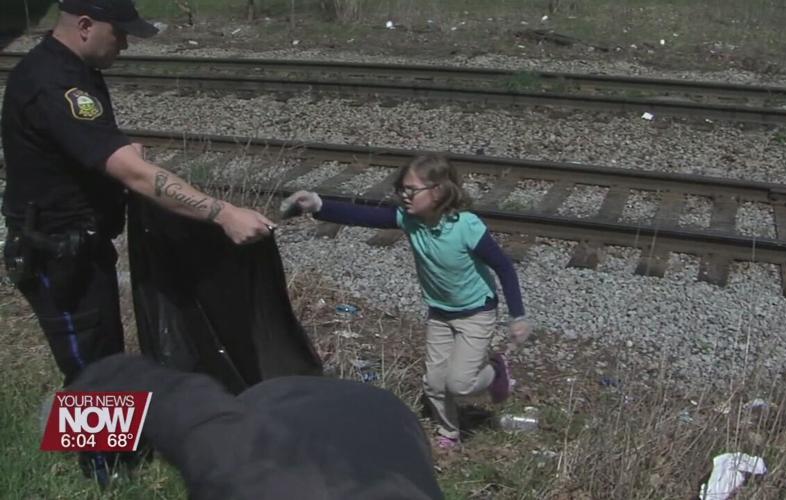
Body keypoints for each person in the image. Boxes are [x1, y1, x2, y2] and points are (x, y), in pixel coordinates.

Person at [1, 0, 274, 483]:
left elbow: (93, 145)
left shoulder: (74, 69)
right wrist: (223, 212)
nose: (125, 44)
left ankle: (114, 454)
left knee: (104, 352)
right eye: (119, 33)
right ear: (85, 26)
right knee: (90, 366)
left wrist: (119, 155)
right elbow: (137, 176)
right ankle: (103, 475)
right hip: (54, 252)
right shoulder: (53, 82)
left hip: (80, 245)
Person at [281, 155, 532, 449]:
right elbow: (361, 216)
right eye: (402, 188)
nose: (404, 195)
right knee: (434, 382)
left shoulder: (466, 226)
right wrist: (317, 204)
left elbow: (503, 266)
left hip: (476, 312)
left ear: (438, 191)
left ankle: (496, 370)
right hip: (439, 312)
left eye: (411, 189)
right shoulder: (408, 218)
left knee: (460, 383)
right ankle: (449, 432)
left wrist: (518, 315)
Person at [68, 354, 445, 499]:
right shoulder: (246, 471)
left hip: (390, 419)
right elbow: (168, 394)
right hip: (288, 401)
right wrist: (73, 417)